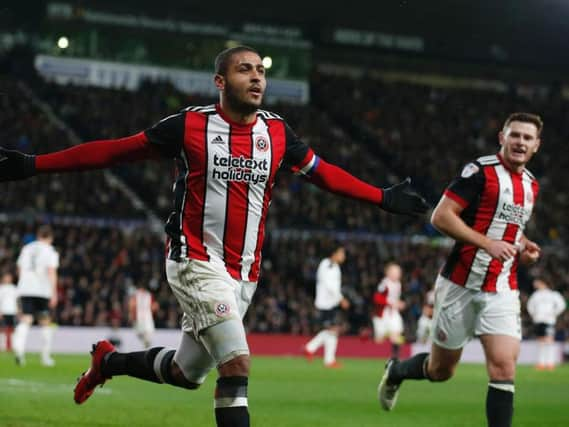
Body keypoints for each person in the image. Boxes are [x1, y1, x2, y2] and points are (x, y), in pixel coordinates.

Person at [0, 45, 428, 427]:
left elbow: (324, 173)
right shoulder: (188, 126)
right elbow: (113, 150)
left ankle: (108, 361)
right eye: (246, 69)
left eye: (261, 69)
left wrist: (382, 198)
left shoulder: (277, 133)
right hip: (194, 260)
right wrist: (34, 165)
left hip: (245, 273)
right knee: (237, 365)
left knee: (187, 374)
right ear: (220, 82)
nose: (257, 76)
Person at [378, 112, 542, 427]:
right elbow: (441, 216)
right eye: (515, 135)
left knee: (504, 369)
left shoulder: (531, 186)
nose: (520, 142)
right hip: (460, 284)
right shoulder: (479, 172)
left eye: (527, 138)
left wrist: (524, 247)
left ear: (537, 145)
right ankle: (397, 370)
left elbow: (511, 230)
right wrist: (486, 244)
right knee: (441, 371)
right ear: (502, 138)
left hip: (502, 288)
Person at [12, 225, 59, 366]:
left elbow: (19, 269)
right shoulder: (50, 250)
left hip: (25, 288)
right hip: (42, 290)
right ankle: (45, 357)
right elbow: (51, 271)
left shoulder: (27, 248)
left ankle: (19, 351)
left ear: (38, 235)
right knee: (45, 321)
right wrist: (54, 292)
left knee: (26, 318)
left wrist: (24, 284)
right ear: (50, 237)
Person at [303, 243, 349, 368]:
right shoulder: (327, 265)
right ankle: (315, 351)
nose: (343, 256)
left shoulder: (334, 266)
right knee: (333, 329)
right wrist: (341, 299)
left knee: (332, 330)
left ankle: (325, 357)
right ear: (334, 254)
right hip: (325, 303)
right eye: (341, 253)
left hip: (330, 303)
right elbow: (329, 285)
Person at [526, 278, 566, 370]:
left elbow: (562, 305)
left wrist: (553, 313)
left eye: (538, 282)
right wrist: (534, 315)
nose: (535, 284)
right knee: (541, 342)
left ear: (543, 282)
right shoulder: (536, 295)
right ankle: (541, 363)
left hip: (549, 321)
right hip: (538, 320)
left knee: (549, 341)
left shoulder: (553, 294)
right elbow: (530, 306)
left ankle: (550, 363)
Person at [372, 262, 406, 358]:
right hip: (383, 314)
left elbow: (394, 299)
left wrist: (399, 303)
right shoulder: (384, 284)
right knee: (379, 339)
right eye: (395, 272)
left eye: (399, 272)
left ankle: (395, 357)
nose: (397, 274)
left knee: (397, 332)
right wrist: (391, 303)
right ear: (388, 273)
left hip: (393, 313)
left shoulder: (398, 284)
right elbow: (377, 298)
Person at [129, 284, 159, 348]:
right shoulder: (148, 295)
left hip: (143, 319)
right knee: (145, 334)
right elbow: (155, 306)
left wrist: (132, 314)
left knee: (143, 334)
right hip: (145, 319)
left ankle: (145, 345)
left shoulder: (139, 295)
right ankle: (145, 345)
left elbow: (132, 305)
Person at [0, 271, 18, 352]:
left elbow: (17, 301)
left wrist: (18, 311)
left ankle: (13, 346)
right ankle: (3, 346)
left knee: (13, 330)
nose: (7, 279)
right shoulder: (1, 288)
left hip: (13, 311)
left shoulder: (14, 288)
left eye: (9, 277)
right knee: (2, 329)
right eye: (6, 277)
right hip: (4, 311)